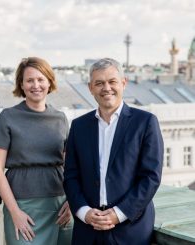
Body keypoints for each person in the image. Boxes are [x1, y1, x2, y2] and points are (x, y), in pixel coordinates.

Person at [64, 58, 163, 245]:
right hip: (87, 230)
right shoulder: (79, 126)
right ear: (90, 88)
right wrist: (84, 212)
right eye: (99, 83)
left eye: (112, 81)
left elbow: (150, 177)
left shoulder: (145, 122)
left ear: (123, 83)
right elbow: (71, 176)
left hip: (131, 230)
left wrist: (119, 214)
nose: (106, 88)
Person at [0, 57, 73, 245]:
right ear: (21, 84)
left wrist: (72, 202)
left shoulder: (60, 118)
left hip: (59, 205)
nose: (36, 85)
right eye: (29, 80)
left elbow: (70, 168)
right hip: (21, 206)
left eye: (41, 79)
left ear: (49, 82)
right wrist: (14, 212)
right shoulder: (7, 118)